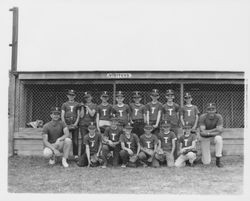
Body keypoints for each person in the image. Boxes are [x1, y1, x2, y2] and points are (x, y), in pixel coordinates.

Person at [199, 103, 224, 167]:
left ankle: (218, 160)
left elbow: (220, 131)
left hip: (214, 136)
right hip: (205, 137)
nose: (211, 111)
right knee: (206, 162)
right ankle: (202, 158)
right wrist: (215, 129)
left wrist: (208, 132)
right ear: (206, 111)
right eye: (209, 109)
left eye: (213, 109)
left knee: (219, 139)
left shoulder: (219, 116)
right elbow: (202, 131)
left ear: (215, 110)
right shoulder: (202, 117)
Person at [61, 89, 80, 160]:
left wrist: (75, 123)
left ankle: (76, 155)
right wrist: (65, 125)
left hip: (74, 123)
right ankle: (66, 155)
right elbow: (62, 115)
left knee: (75, 140)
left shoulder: (77, 104)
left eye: (73, 95)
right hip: (67, 123)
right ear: (67, 96)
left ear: (75, 96)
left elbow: (78, 115)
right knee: (66, 139)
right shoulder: (64, 104)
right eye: (70, 95)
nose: (71, 96)